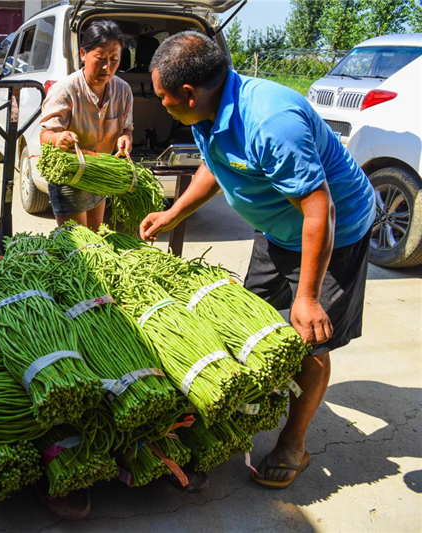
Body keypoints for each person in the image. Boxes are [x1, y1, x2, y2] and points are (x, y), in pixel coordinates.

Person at [139, 32, 375, 489]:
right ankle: (248, 414)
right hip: (279, 231)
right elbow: (214, 165)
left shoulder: (271, 120)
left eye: (164, 97)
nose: (161, 104)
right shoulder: (206, 111)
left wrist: (306, 296)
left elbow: (318, 209)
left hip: (332, 234)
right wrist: (173, 213)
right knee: (251, 324)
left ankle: (293, 443)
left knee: (307, 339)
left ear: (189, 93)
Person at [40, 20, 133, 231]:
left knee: (95, 234)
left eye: (114, 60)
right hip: (70, 176)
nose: (107, 67)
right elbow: (46, 134)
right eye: (100, 59)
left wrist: (125, 137)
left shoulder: (124, 90)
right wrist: (58, 139)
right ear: (83, 53)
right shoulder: (65, 89)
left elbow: (127, 128)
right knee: (77, 244)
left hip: (100, 171)